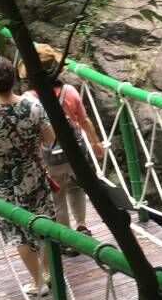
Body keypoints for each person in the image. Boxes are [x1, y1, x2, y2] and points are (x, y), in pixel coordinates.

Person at [0, 55, 56, 296]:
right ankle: (50, 273)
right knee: (43, 222)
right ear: (14, 77)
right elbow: (50, 138)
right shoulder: (33, 104)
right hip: (34, 173)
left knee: (18, 232)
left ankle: (38, 282)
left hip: (5, 182)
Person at [19, 43, 105, 244]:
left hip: (49, 156)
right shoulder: (70, 91)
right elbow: (84, 120)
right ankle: (82, 225)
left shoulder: (27, 100)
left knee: (57, 196)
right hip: (75, 152)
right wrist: (95, 143)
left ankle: (66, 238)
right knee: (77, 188)